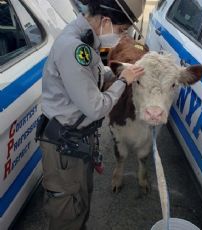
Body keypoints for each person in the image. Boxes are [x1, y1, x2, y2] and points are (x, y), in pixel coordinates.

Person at [36, 0, 145, 229]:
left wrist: (115, 72)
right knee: (67, 211)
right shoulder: (74, 47)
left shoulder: (87, 40)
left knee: (80, 203)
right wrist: (124, 81)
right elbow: (96, 107)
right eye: (121, 30)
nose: (121, 36)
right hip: (64, 146)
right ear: (105, 20)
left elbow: (92, 75)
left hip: (76, 141)